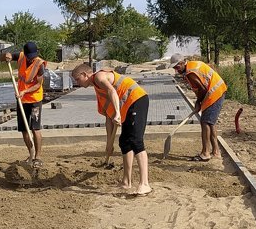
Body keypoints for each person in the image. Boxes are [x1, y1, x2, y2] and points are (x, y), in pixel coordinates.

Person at [71, 63, 152, 196]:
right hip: (126, 106)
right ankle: (126, 181)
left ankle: (145, 184)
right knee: (124, 142)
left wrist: (118, 113)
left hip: (136, 99)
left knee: (136, 141)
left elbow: (112, 91)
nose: (77, 83)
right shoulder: (98, 90)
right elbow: (109, 118)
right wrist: (109, 143)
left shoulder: (99, 77)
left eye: (77, 79)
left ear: (85, 75)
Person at [169, 53, 227, 162]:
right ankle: (216, 152)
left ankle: (205, 153)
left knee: (205, 122)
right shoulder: (192, 65)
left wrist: (198, 102)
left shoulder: (190, 73)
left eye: (177, 67)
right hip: (217, 91)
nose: (176, 70)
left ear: (182, 63)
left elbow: (202, 89)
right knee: (210, 122)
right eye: (174, 68)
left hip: (214, 93)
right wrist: (199, 102)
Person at [0, 41, 46, 167]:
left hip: (35, 99)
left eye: (33, 55)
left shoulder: (40, 64)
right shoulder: (20, 57)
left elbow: (38, 84)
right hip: (21, 99)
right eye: (29, 55)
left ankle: (38, 157)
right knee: (24, 129)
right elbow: (0, 58)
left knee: (35, 128)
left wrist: (25, 91)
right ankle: (31, 154)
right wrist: (6, 56)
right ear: (25, 54)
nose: (31, 58)